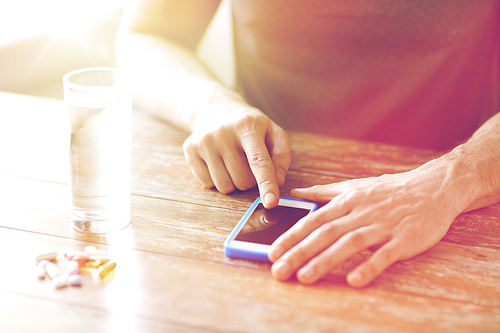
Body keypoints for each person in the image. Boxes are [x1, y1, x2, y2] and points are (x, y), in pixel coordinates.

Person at [117, 0, 500, 287]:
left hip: (459, 204)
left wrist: (453, 180)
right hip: (265, 185)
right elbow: (146, 37)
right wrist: (209, 105)